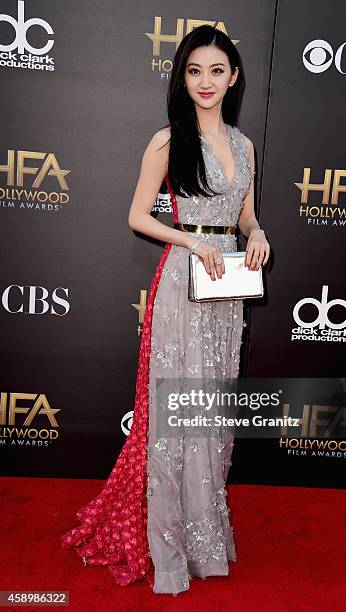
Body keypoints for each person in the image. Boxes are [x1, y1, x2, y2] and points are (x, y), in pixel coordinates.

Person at [60, 24, 270, 595]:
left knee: (212, 410)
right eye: (195, 70)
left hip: (229, 286)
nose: (206, 82)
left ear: (233, 78)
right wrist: (191, 241)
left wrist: (255, 234)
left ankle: (208, 535)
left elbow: (244, 214)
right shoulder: (166, 139)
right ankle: (171, 545)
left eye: (217, 71)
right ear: (182, 76)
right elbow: (138, 216)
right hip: (184, 278)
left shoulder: (247, 145)